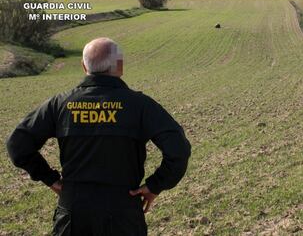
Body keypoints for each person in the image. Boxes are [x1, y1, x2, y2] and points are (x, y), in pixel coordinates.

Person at [6, 37, 191, 236]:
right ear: (119, 66)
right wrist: (155, 185)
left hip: (73, 212)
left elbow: (18, 144)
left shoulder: (60, 104)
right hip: (123, 211)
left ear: (84, 66)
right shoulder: (140, 105)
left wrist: (50, 179)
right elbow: (179, 150)